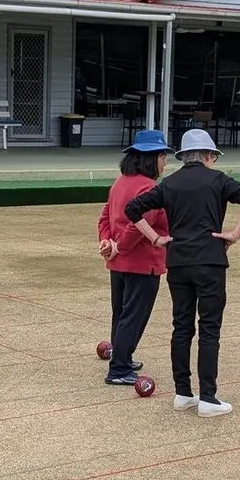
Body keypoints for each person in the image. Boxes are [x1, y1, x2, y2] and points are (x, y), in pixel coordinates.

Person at [124, 128, 240, 417]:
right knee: (209, 328)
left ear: (184, 157)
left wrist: (156, 239)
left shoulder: (169, 183)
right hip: (210, 261)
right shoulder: (218, 180)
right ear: (209, 156)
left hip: (178, 261)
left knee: (182, 326)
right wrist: (234, 234)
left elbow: (133, 209)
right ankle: (208, 396)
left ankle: (183, 393)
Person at [96, 129, 171, 386]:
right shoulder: (149, 187)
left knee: (120, 313)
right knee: (134, 316)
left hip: (118, 262)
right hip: (142, 262)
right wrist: (119, 247)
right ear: (152, 158)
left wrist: (107, 241)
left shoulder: (120, 182)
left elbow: (105, 217)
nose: (165, 162)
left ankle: (122, 357)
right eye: (163, 156)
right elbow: (140, 225)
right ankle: (119, 368)